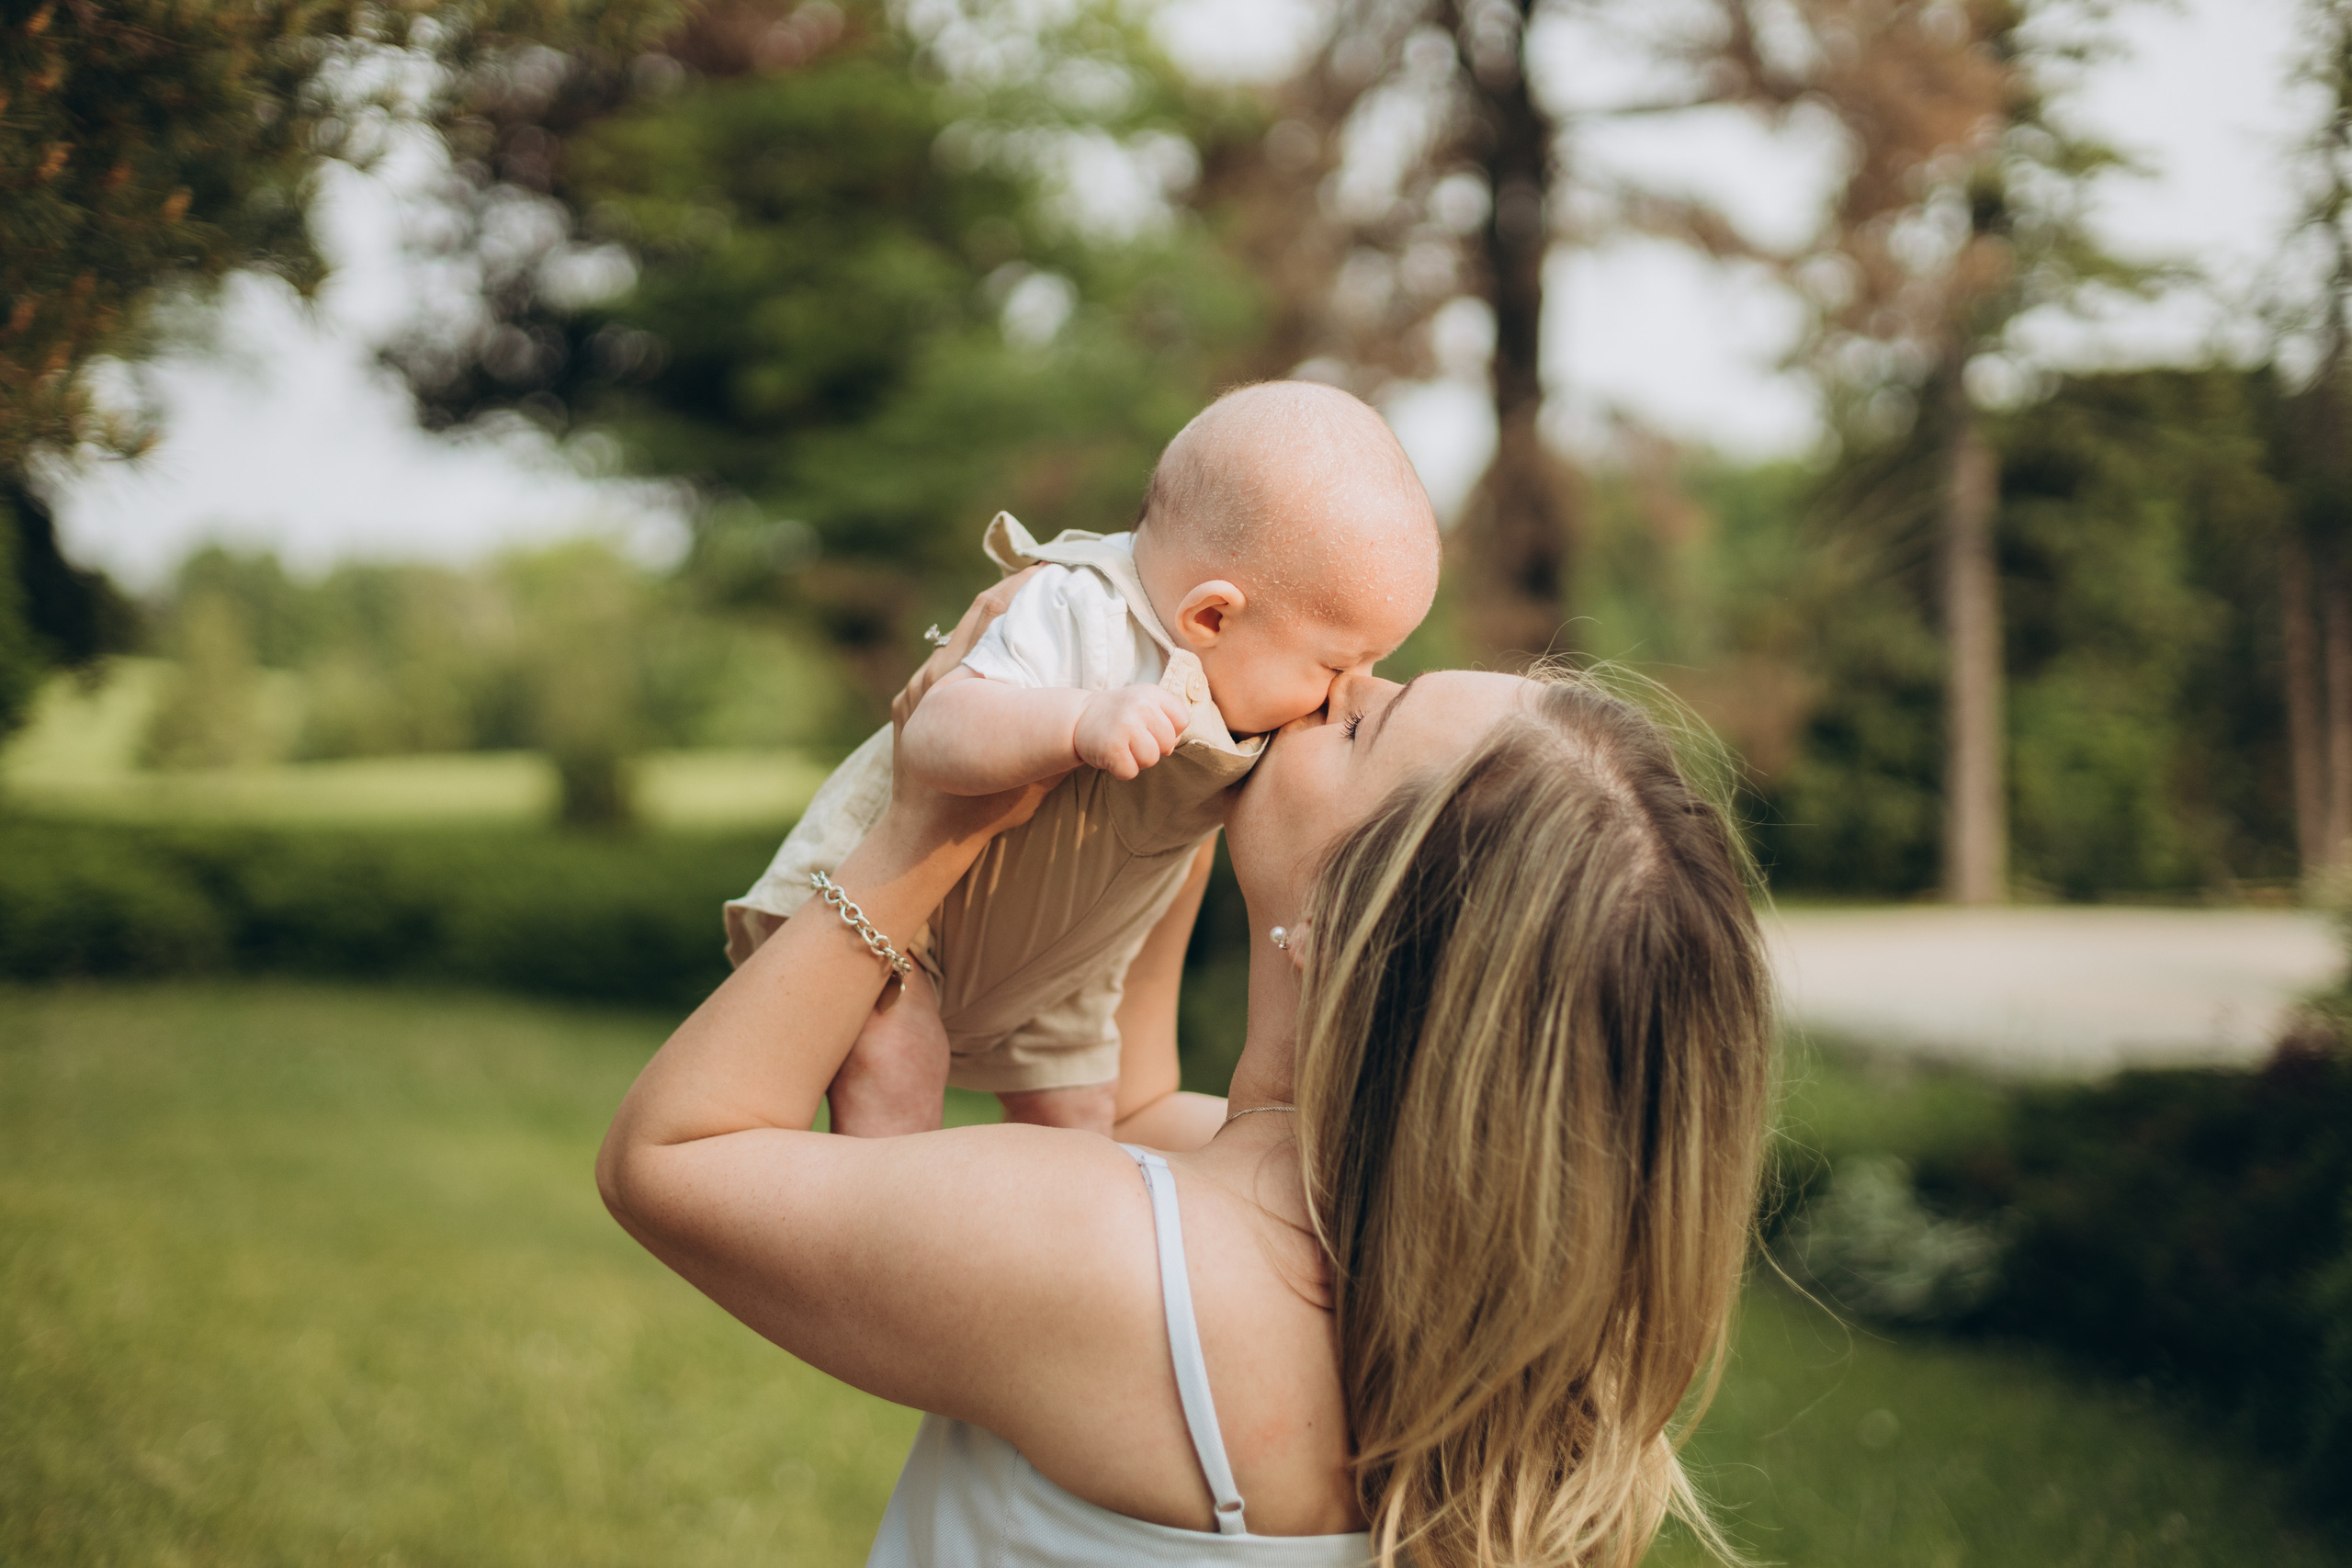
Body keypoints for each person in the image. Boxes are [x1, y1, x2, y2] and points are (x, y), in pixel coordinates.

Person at [599, 591, 1777, 1566]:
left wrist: (923, 828)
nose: (1342, 685)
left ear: (1340, 925)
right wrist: (1173, 795)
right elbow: (1128, 1103)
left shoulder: (1097, 1255)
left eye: (1367, 724)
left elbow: (671, 1159)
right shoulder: (1417, 1284)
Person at [723, 381, 1441, 1139]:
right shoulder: (1086, 614)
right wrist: (1079, 717)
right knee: (897, 1060)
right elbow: (933, 732)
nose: (1345, 691)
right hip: (895, 910)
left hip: (1055, 961)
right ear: (1212, 616)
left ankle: (1030, 1247)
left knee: (1079, 1115)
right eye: (1335, 664)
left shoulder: (1247, 698)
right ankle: (877, 1240)